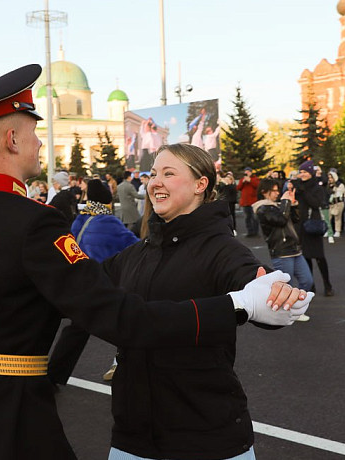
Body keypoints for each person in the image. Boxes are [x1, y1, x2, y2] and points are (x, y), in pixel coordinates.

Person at [0, 64, 310, 459]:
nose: (40, 144)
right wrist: (240, 304)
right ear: (12, 139)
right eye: (34, 134)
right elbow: (121, 317)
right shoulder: (35, 223)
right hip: (11, 419)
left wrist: (260, 287)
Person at [104, 144, 312, 460]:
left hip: (208, 438)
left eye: (169, 173)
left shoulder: (222, 250)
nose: (155, 182)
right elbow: (85, 287)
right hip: (132, 440)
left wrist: (276, 294)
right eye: (154, 174)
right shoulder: (137, 254)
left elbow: (255, 281)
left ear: (201, 184)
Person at [47, 179, 139, 385]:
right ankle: (123, 363)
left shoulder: (81, 219)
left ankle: (53, 377)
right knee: (126, 321)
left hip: (80, 281)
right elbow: (135, 246)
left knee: (76, 332)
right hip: (102, 284)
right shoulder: (109, 223)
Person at [254, 179, 313, 321]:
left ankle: (295, 309)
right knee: (287, 284)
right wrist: (286, 203)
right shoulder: (262, 208)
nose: (277, 193)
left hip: (295, 249)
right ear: (264, 192)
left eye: (277, 190)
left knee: (307, 280)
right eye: (273, 190)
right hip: (281, 251)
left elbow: (295, 219)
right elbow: (280, 220)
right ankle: (288, 312)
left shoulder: (279, 205)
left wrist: (293, 205)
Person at [294, 160, 334, 296]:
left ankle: (327, 285)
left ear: (311, 173)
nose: (303, 174)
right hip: (301, 226)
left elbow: (316, 203)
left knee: (319, 257)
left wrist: (304, 192)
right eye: (301, 172)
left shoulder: (317, 188)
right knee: (305, 257)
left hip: (313, 225)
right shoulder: (297, 186)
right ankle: (310, 285)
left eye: (305, 172)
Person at [237, 166, 260, 237]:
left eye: (248, 171)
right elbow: (238, 188)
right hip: (245, 202)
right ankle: (250, 232)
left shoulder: (255, 179)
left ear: (251, 172)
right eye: (245, 171)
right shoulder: (242, 179)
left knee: (254, 218)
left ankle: (255, 232)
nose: (246, 173)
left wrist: (250, 180)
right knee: (247, 218)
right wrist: (243, 182)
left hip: (253, 202)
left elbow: (258, 186)